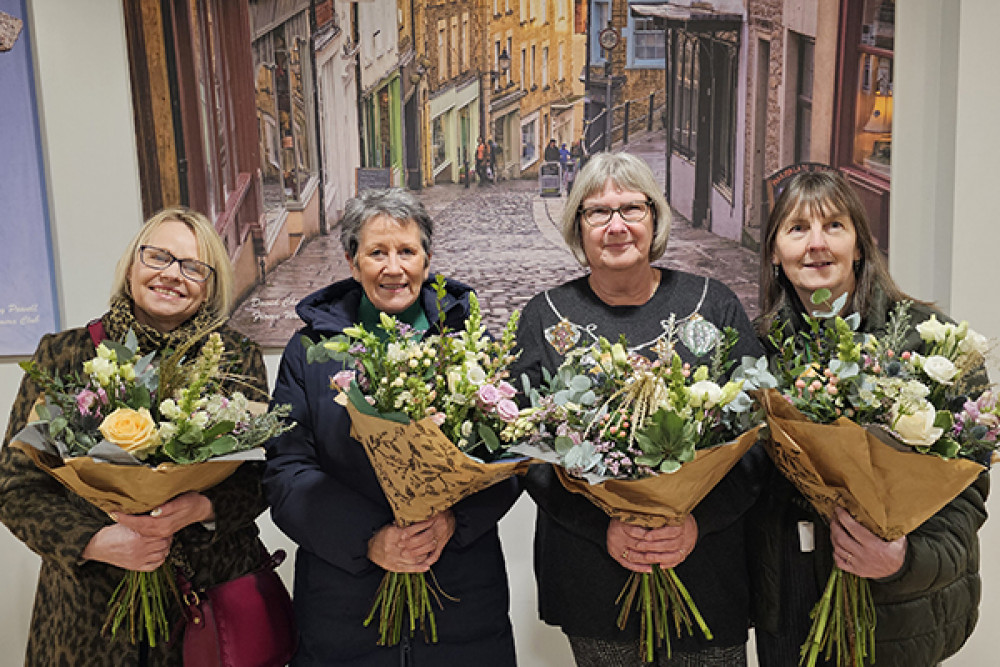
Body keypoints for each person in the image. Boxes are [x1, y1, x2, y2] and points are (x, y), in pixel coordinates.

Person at [511, 152, 766, 666]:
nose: (616, 225)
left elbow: (759, 437)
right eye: (597, 212)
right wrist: (603, 526)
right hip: (595, 575)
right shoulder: (544, 315)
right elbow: (525, 450)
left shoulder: (712, 303)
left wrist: (697, 523)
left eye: (632, 208)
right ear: (577, 226)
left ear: (655, 218)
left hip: (705, 570)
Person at [0, 207, 269, 666]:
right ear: (131, 266)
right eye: (158, 256)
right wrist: (95, 541)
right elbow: (15, 487)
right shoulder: (64, 354)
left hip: (204, 611)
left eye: (192, 266)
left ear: (211, 286)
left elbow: (263, 477)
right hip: (86, 615)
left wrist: (199, 509)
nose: (171, 274)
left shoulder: (234, 360)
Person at [264, 188, 519, 666]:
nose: (393, 267)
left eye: (407, 251)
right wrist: (371, 539)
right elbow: (286, 470)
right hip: (345, 601)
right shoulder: (309, 351)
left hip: (460, 595)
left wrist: (450, 523)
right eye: (376, 252)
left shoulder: (470, 343)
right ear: (351, 261)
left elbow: (511, 458)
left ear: (427, 258)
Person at [750, 168, 989, 666]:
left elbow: (963, 494)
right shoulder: (757, 352)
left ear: (859, 245)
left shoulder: (929, 344)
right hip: (792, 608)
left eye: (834, 226)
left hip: (894, 609)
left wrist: (901, 560)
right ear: (775, 251)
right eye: (797, 229)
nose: (817, 244)